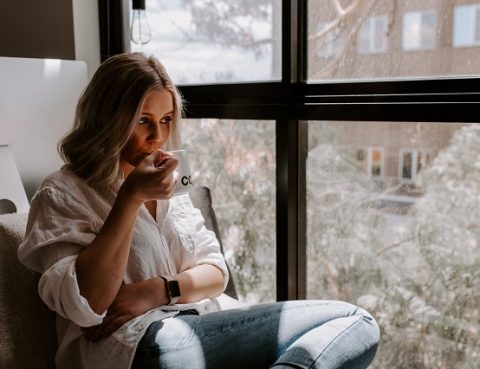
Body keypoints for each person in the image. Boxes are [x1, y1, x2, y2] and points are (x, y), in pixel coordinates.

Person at [17, 52, 380, 369]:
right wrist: (129, 199)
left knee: (349, 328)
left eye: (166, 120)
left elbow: (216, 272)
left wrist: (159, 290)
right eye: (143, 120)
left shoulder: (171, 189)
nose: (157, 137)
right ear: (109, 119)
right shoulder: (63, 192)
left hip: (195, 324)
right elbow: (89, 303)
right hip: (132, 350)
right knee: (352, 319)